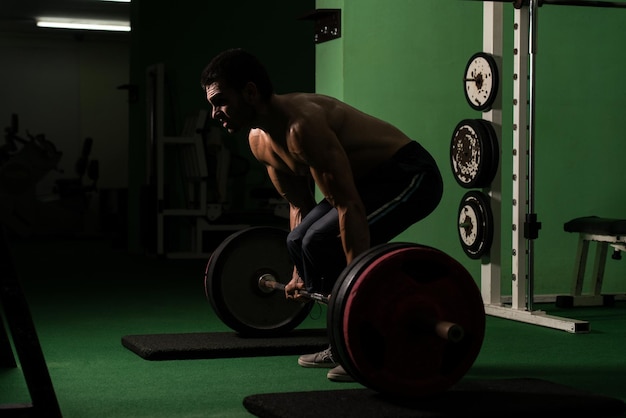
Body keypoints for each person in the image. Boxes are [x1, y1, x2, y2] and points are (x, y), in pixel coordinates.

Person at [200, 48, 443, 382]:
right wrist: (300, 271)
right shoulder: (259, 141)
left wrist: (356, 286)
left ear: (250, 92)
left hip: (410, 175)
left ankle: (364, 344)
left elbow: (349, 208)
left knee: (324, 241)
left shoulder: (302, 126)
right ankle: (341, 340)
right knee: (300, 239)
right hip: (366, 183)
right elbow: (300, 206)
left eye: (220, 101)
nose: (215, 113)